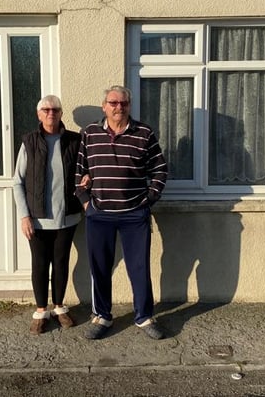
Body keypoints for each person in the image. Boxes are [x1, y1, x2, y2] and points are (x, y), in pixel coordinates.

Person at [75, 85, 168, 340]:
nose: (119, 107)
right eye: (113, 103)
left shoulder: (144, 134)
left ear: (129, 106)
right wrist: (86, 203)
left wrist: (149, 200)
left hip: (134, 215)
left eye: (123, 103)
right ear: (104, 106)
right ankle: (102, 316)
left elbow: (160, 170)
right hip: (99, 213)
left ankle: (144, 317)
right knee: (100, 268)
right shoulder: (90, 133)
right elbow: (78, 170)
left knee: (139, 268)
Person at [12, 95, 82, 335]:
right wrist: (24, 216)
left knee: (61, 263)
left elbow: (85, 171)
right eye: (46, 109)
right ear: (38, 114)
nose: (51, 113)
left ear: (61, 113)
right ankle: (41, 311)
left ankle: (60, 307)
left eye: (55, 109)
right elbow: (17, 182)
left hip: (67, 216)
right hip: (37, 219)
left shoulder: (75, 140)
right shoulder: (30, 142)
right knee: (40, 265)